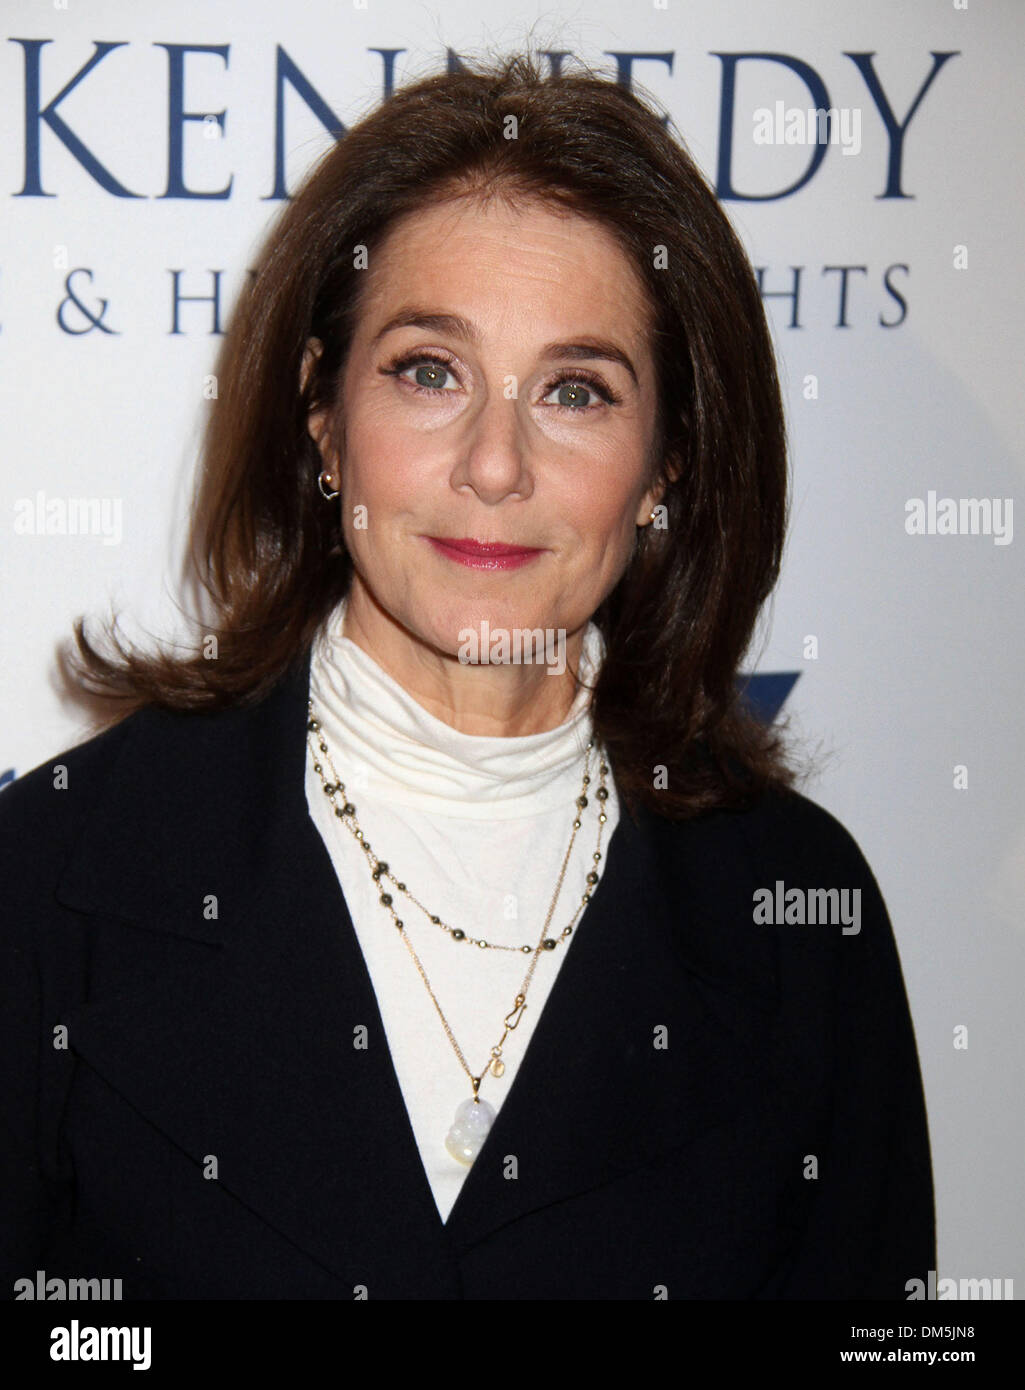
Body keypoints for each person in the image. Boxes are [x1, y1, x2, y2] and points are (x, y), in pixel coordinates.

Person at [0, 51, 933, 1300]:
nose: (495, 463)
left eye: (575, 389)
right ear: (323, 419)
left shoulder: (798, 913)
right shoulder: (53, 873)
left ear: (664, 468)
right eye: (428, 370)